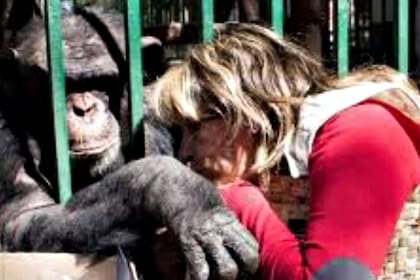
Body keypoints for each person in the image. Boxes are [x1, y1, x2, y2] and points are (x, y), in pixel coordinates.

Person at [154, 24, 420, 279]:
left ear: (243, 115)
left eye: (194, 128)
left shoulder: (361, 133)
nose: (184, 153)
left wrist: (236, 199)